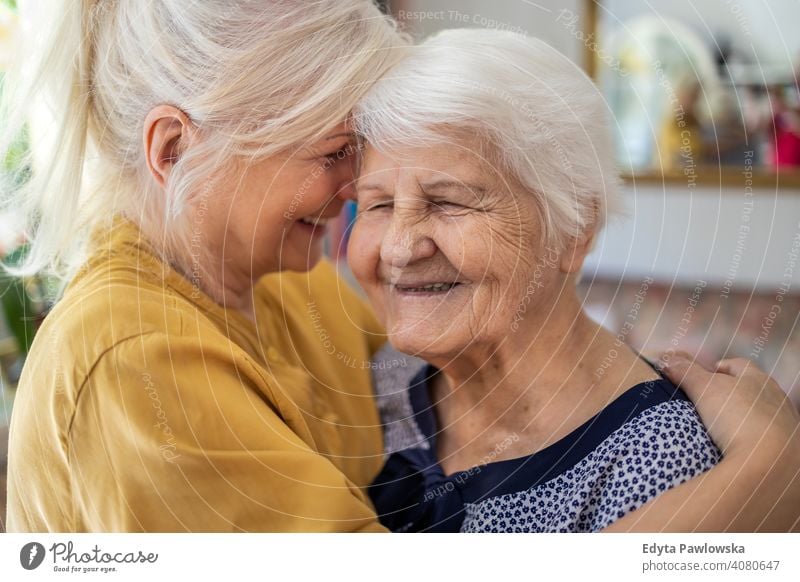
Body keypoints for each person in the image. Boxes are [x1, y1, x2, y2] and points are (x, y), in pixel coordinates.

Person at [1, 2, 798, 532]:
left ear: (572, 227)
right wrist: (769, 476)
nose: (378, 228)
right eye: (336, 159)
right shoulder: (133, 360)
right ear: (175, 151)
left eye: (450, 199)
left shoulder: (291, 280)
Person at [349, 29, 800, 532]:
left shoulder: (662, 459)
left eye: (448, 201)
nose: (398, 247)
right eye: (379, 205)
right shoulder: (377, 380)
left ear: (574, 230)